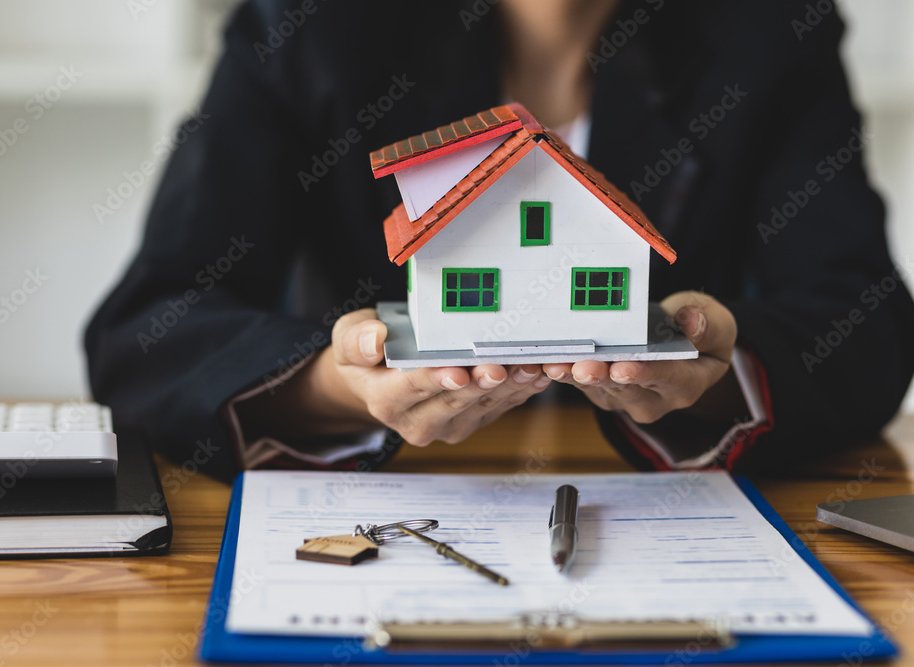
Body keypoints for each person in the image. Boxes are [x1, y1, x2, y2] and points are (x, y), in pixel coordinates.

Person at [85, 0, 914, 482]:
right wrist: (337, 387)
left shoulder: (771, 27)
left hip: (666, 512)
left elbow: (865, 322)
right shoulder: (306, 22)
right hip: (394, 503)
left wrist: (717, 368)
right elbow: (150, 329)